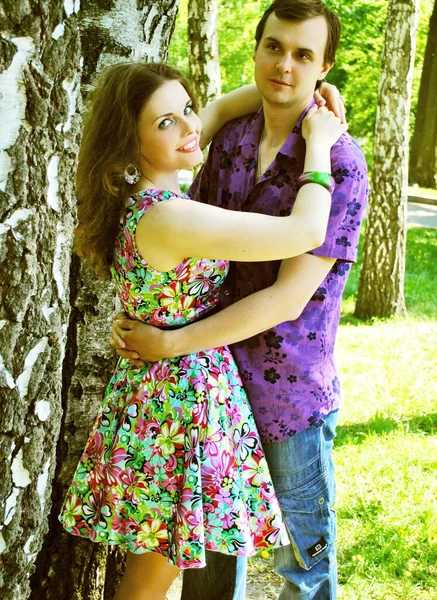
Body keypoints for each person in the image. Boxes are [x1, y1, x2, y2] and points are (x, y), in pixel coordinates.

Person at [58, 59, 347, 600]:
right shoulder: (168, 216)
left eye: (185, 109)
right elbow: (305, 230)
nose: (191, 127)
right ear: (129, 143)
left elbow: (217, 109)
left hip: (162, 398)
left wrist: (298, 88)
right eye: (165, 122)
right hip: (178, 409)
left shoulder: (147, 201)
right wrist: (320, 140)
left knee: (155, 572)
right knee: (149, 582)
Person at [110, 1, 369, 598]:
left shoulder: (340, 166)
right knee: (208, 569)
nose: (284, 64)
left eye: (303, 54)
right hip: (213, 391)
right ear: (255, 49)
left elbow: (287, 299)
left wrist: (170, 342)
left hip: (288, 395)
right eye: (273, 47)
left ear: (324, 67)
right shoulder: (221, 140)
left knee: (303, 571)